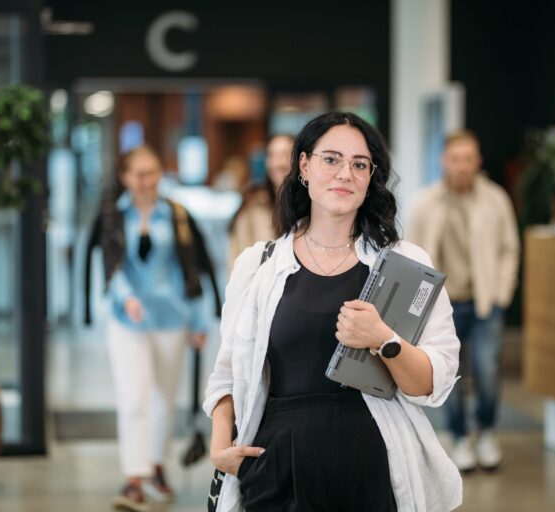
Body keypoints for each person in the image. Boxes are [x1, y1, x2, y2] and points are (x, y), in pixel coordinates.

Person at [204, 112, 462, 511]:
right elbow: (227, 372)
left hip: (372, 466)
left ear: (371, 178)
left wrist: (384, 340)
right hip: (277, 466)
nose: (345, 173)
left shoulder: (404, 265)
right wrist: (221, 446)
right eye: (331, 159)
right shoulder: (258, 265)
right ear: (304, 166)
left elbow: (433, 381)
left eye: (360, 164)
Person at [100, 145, 220, 511]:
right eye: (139, 173)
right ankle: (133, 478)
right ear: (125, 177)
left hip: (172, 317)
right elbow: (111, 264)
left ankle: (156, 466)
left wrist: (200, 320)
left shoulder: (177, 215)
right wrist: (126, 299)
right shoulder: (114, 216)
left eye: (153, 172)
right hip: (128, 319)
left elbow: (193, 270)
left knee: (163, 401)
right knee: (133, 399)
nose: (147, 180)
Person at [406, 130, 520, 473]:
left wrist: (502, 293)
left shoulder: (495, 199)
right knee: (449, 375)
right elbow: (411, 253)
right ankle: (458, 436)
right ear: (444, 161)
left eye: (468, 159)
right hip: (444, 306)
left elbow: (509, 249)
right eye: (455, 159)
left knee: (487, 370)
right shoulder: (425, 202)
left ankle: (486, 432)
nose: (462, 166)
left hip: (485, 302)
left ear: (478, 161)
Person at [227, 134, 294, 269]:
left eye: (285, 155)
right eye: (271, 155)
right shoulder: (252, 204)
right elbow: (237, 259)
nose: (277, 163)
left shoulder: (312, 207)